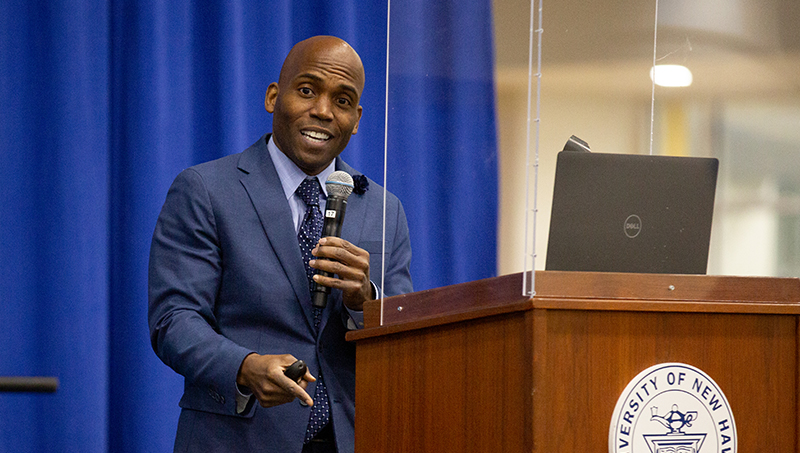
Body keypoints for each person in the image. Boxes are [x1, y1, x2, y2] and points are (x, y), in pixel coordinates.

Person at [148, 35, 413, 453]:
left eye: (342, 101)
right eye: (307, 90)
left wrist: (365, 300)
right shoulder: (206, 190)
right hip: (238, 437)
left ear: (357, 118)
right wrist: (244, 366)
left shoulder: (383, 208)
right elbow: (174, 320)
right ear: (274, 97)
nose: (323, 111)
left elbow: (404, 338)